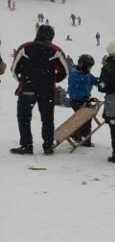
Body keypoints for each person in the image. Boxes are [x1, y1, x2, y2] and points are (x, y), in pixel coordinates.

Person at [9, 25, 69, 155]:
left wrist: (22, 80)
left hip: (27, 89)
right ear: (51, 36)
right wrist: (54, 79)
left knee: (24, 118)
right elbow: (65, 71)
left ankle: (26, 145)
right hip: (47, 90)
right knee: (47, 119)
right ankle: (47, 146)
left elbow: (14, 69)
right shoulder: (55, 50)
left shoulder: (25, 47)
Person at [67, 54, 99, 146]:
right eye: (88, 67)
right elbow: (73, 91)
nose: (89, 69)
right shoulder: (74, 75)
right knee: (84, 119)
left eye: (90, 67)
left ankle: (83, 138)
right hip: (76, 101)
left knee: (86, 119)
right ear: (81, 64)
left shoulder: (87, 74)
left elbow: (94, 81)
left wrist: (102, 81)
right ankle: (77, 136)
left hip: (85, 100)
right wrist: (83, 98)